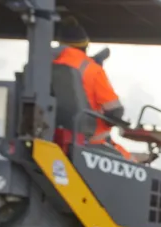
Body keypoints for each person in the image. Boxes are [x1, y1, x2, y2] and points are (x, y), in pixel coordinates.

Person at [52, 16, 135, 161]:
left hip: (52, 136)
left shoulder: (44, 65)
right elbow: (115, 111)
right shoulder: (93, 70)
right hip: (91, 142)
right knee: (134, 166)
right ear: (85, 46)